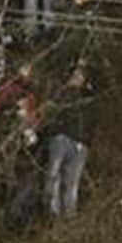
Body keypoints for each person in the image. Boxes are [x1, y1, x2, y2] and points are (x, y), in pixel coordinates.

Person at [42, 62, 95, 219]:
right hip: (62, 137)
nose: (77, 79)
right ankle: (52, 212)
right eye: (74, 75)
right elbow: (51, 109)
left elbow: (93, 121)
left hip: (80, 143)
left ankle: (69, 216)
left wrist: (87, 141)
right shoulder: (61, 93)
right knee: (53, 175)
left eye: (80, 76)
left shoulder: (89, 98)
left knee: (72, 183)